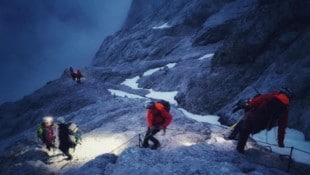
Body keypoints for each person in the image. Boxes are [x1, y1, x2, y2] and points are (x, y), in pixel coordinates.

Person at [227, 88, 293, 153]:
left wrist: (248, 106)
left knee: (243, 127)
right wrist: (280, 142)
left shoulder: (269, 97)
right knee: (247, 128)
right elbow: (282, 127)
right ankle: (238, 147)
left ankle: (235, 143)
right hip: (262, 126)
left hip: (252, 120)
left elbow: (252, 103)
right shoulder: (285, 110)